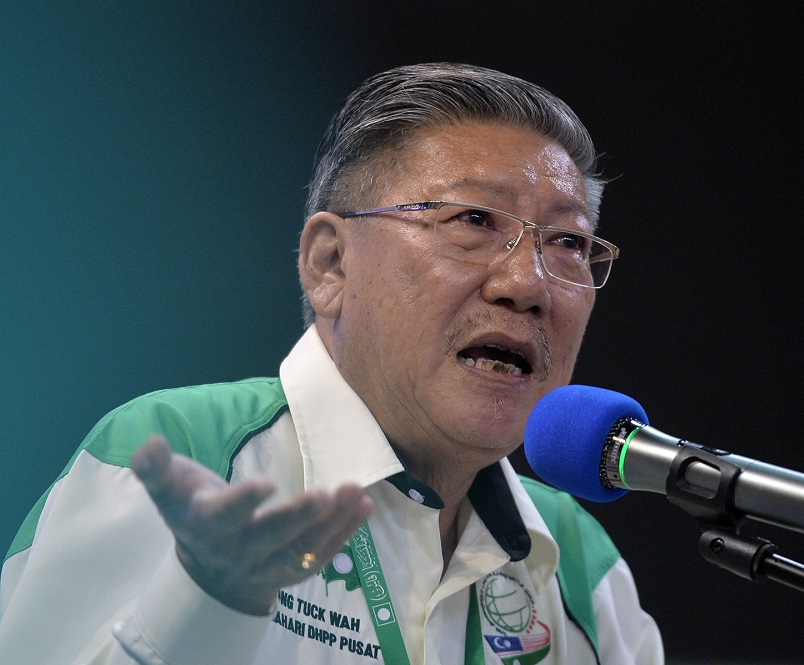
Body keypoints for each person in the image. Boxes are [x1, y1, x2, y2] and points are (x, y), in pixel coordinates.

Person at [0, 62, 664, 664]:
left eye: (569, 242)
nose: (529, 282)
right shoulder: (183, 456)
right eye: (473, 220)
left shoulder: (579, 568)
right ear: (330, 263)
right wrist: (206, 599)